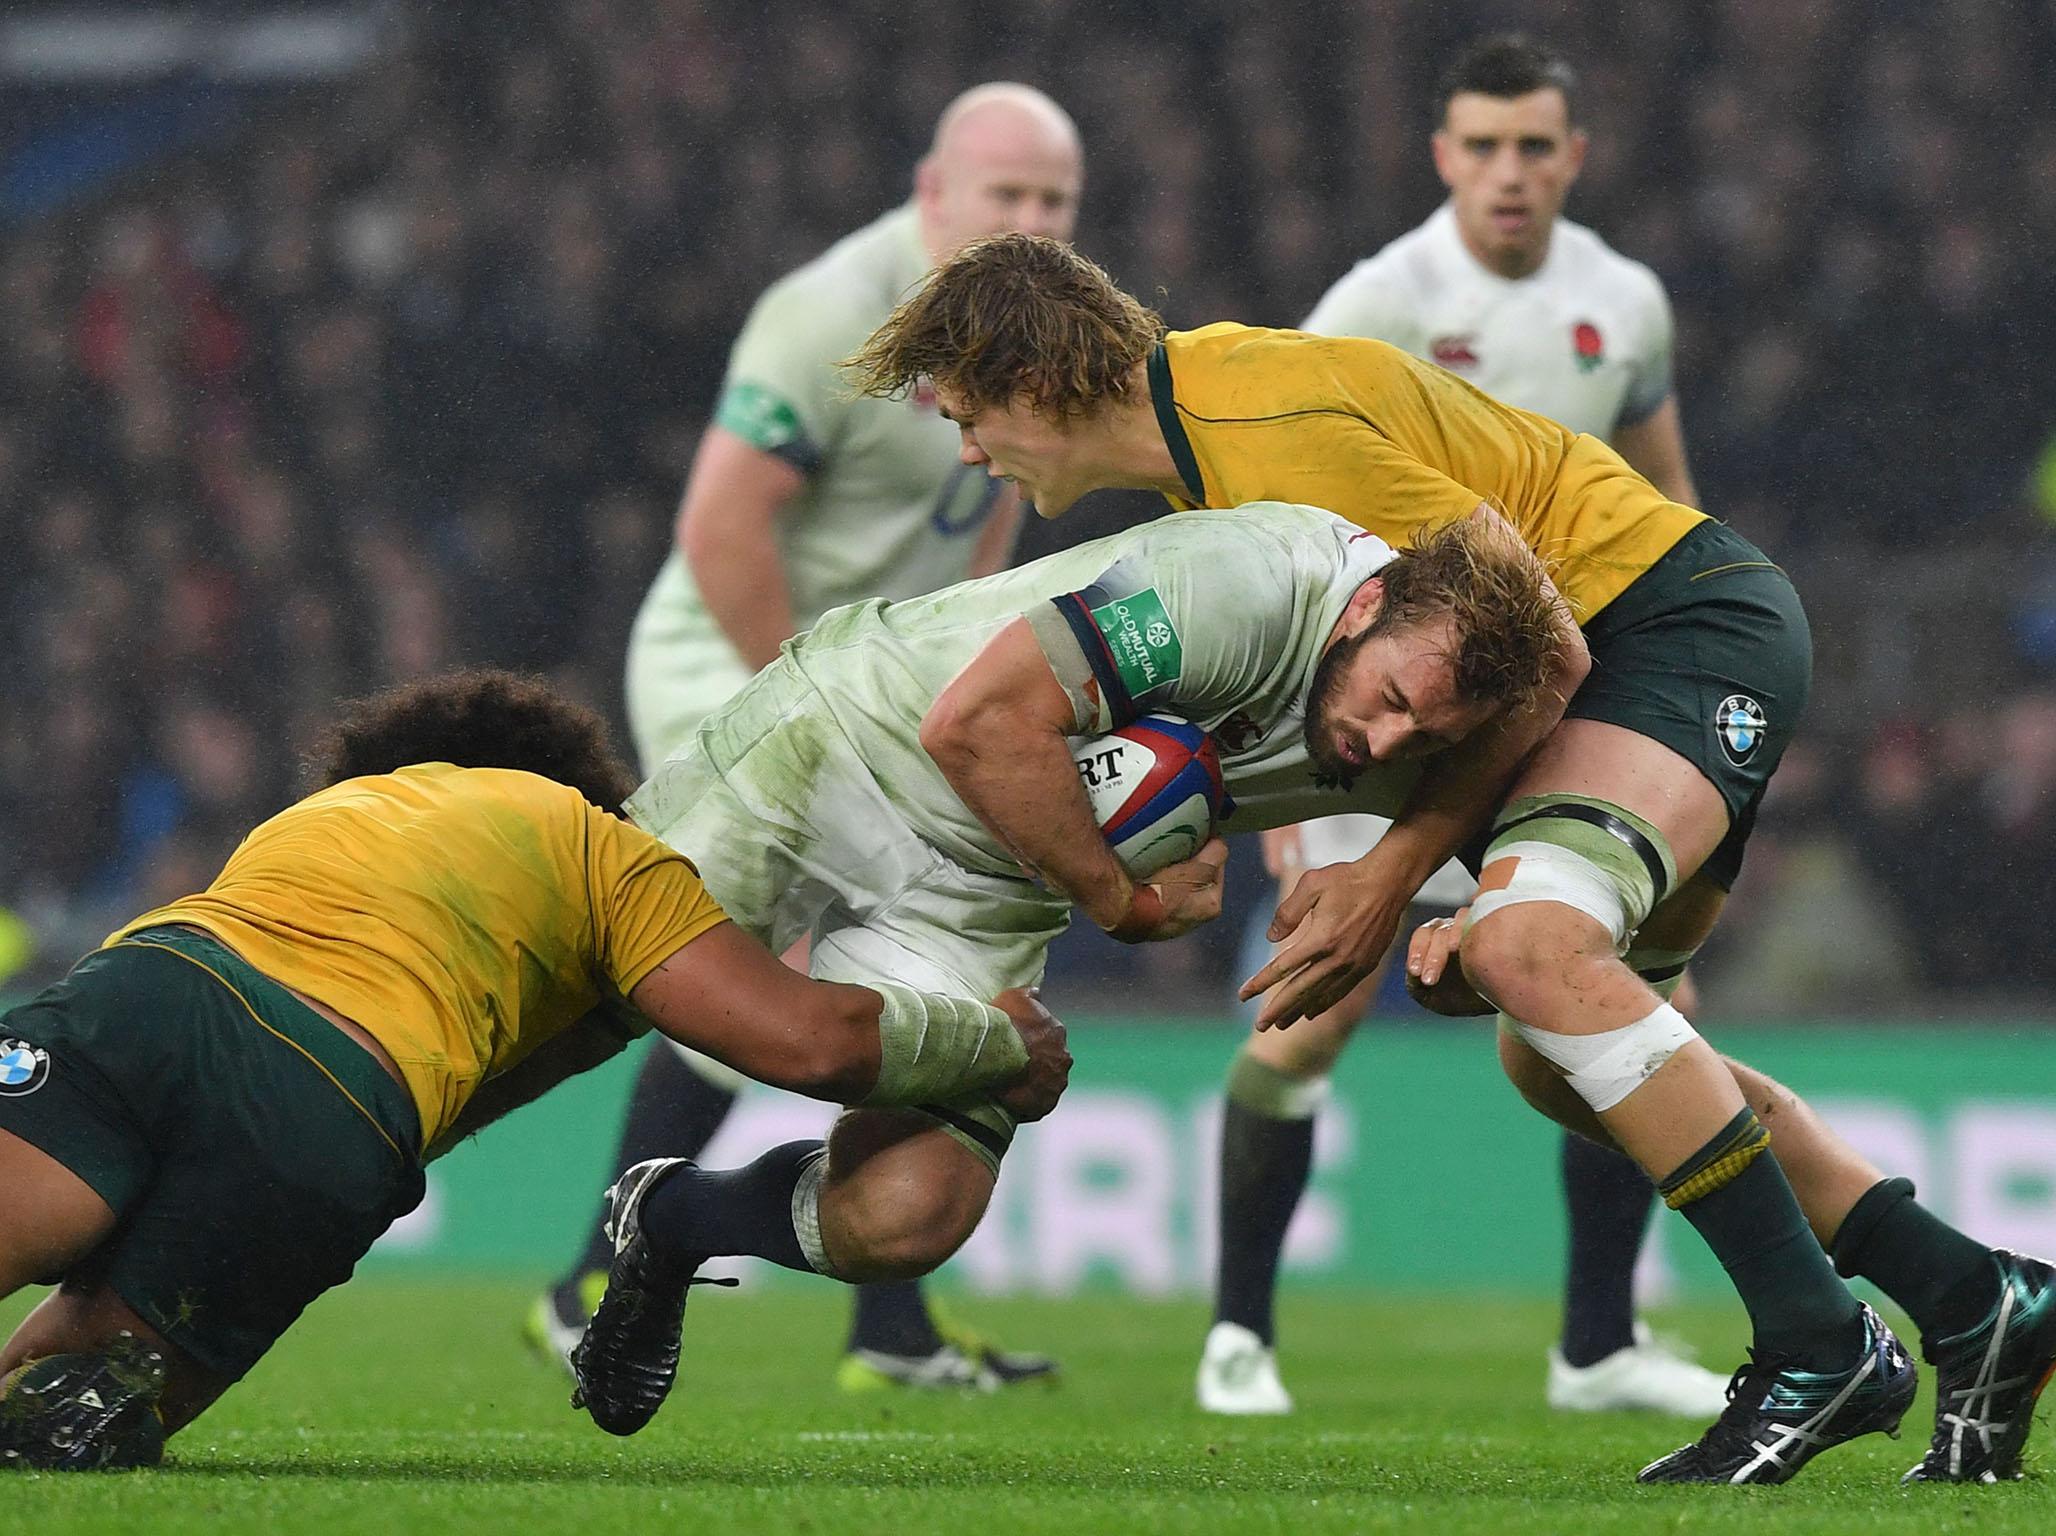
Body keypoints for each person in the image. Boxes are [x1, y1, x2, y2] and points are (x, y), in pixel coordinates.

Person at [843, 234, 2056, 1484]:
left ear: (1037, 382)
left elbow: (1535, 645)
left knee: (1533, 950)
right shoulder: (1210, 424)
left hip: (1672, 633)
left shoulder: (1267, 437)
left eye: (969, 410)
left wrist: (1387, 880)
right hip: (1629, 659)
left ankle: (1817, 1344)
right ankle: (1972, 1297)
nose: (969, 446)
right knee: (1556, 1057)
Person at [568, 504, 1581, 1440]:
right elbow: (976, 724)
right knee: (568, 993)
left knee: (910, 1213)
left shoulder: (1446, 709)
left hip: (984, 882)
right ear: (1363, 608)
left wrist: (1401, 884)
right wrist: (1122, 902)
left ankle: (672, 1218)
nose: (1387, 743)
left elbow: (1555, 681)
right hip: (846, 744)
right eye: (1391, 699)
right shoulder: (1240, 587)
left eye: (1428, 737)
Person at [0, 671, 1070, 1471]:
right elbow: (810, 1042)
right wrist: (994, 1041)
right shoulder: (604, 851)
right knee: (48, 1422)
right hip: (326, 1108)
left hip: (141, 994)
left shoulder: (330, 811)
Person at [528, 81, 1087, 1394]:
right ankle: (595, 1280)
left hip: (876, 691)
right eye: (1007, 195)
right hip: (730, 661)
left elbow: (985, 531)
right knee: (753, 964)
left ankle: (879, 1325)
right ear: (933, 190)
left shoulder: (1043, 330)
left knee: (910, 956)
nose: (1032, 221)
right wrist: (822, 714)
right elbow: (723, 531)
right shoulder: (832, 314)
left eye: (1055, 201)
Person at [1201, 34, 1720, 1419]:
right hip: (1395, 723)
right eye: (1483, 147)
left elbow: (1666, 509)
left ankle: (1598, 1345)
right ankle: (1237, 1335)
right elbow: (1292, 530)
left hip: (1560, 729)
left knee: (1641, 1005)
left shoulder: (1627, 300)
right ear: (1442, 156)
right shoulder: (1379, 299)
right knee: (1309, 1014)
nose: (1510, 173)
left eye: (1534, 147)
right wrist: (1295, 787)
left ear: (1575, 156)